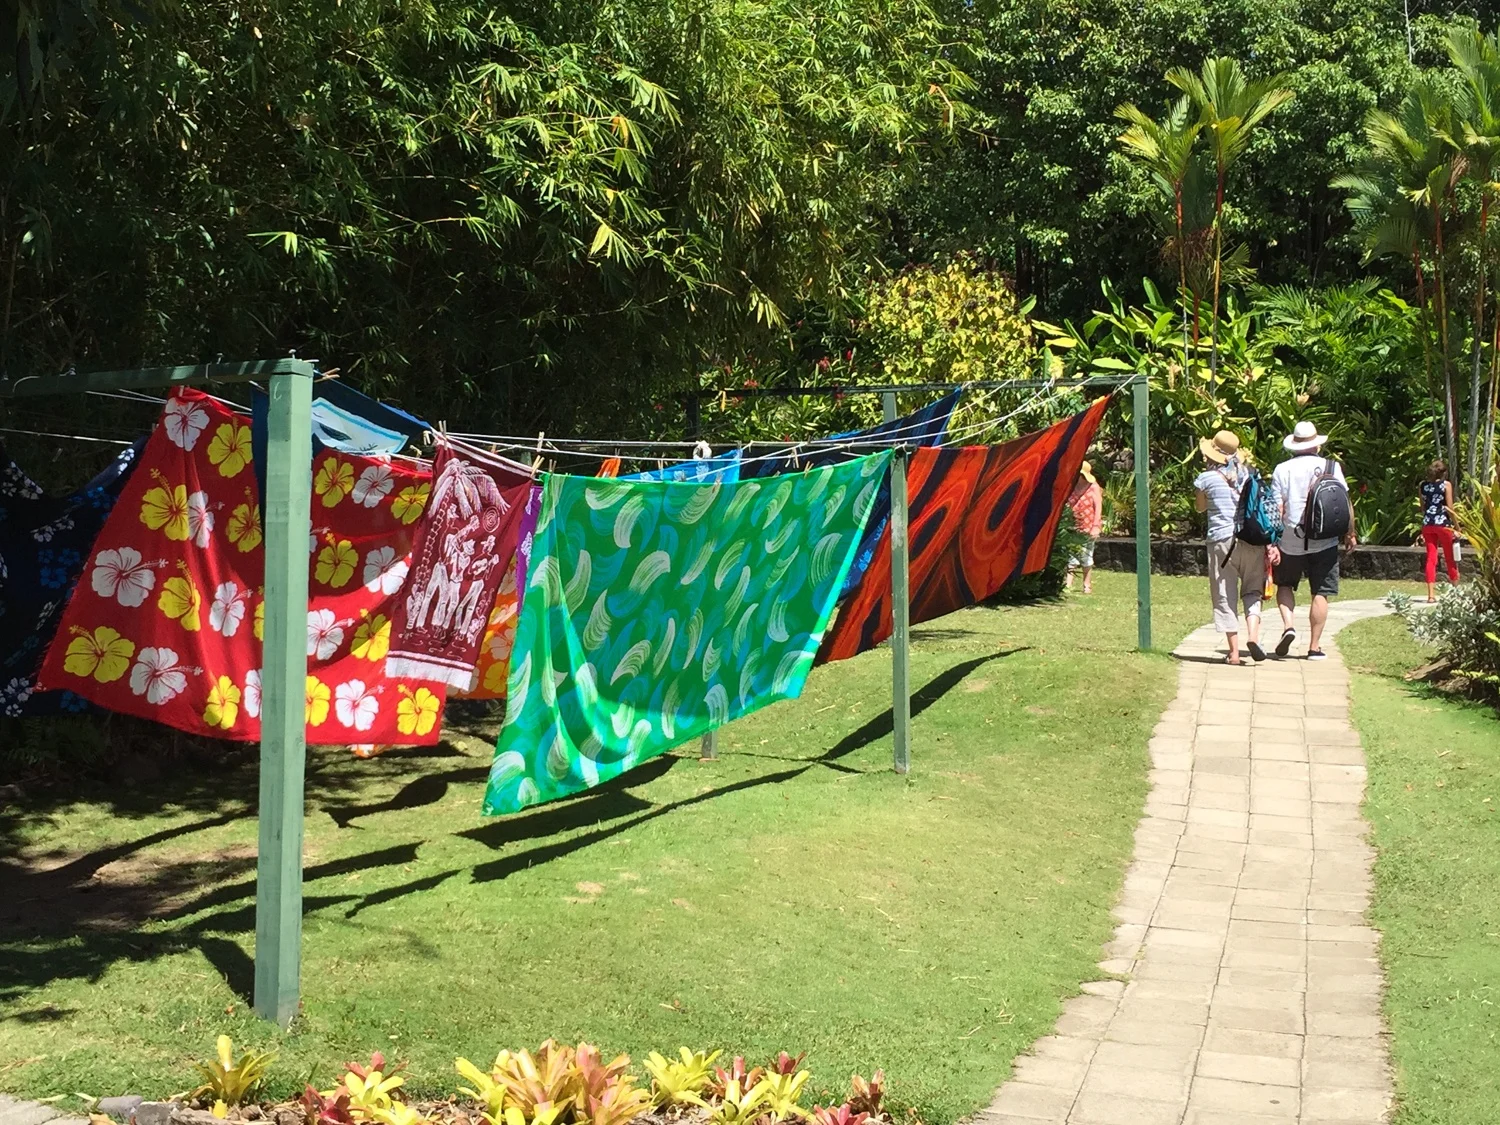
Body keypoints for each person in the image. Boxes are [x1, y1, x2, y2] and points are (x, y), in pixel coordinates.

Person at [1270, 421, 1357, 660]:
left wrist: (1272, 541)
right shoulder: (1331, 466)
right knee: (1321, 591)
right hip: (1324, 538)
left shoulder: (1281, 469)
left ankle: (1289, 626)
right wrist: (1350, 532)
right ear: (1316, 445)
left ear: (1294, 445)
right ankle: (1314, 647)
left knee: (1285, 585)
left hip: (1290, 539)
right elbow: (1344, 502)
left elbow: (1277, 508)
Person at [1193, 430, 1266, 664]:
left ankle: (1233, 653)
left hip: (1222, 541)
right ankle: (1253, 635)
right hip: (1253, 539)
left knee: (1225, 594)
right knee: (1253, 590)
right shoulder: (1249, 475)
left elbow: (1200, 508)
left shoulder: (1206, 478)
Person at [1419, 459, 1459, 603]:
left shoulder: (1422, 485)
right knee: (1450, 557)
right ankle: (1455, 590)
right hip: (1442, 524)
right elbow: (1449, 508)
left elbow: (1423, 507)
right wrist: (1457, 527)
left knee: (1431, 558)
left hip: (1427, 524)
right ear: (1443, 473)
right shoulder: (1446, 485)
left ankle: (1430, 595)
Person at [1065, 461, 1104, 594]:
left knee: (1086, 555)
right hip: (1072, 527)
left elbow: (1098, 507)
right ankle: (1068, 584)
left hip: (1088, 527)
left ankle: (1086, 584)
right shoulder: (1071, 486)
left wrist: (1095, 526)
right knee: (1071, 555)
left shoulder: (1093, 487)